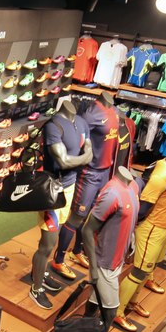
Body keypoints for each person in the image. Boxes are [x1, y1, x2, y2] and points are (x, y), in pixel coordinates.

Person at [28, 95, 92, 310]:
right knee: (47, 243)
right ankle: (36, 289)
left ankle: (40, 273)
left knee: (52, 240)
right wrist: (84, 159)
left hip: (69, 188)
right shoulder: (53, 126)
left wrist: (80, 159)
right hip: (52, 193)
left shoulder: (81, 122)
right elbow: (64, 161)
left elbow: (88, 152)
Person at [51, 91, 120, 280]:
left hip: (104, 172)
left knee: (91, 215)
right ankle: (58, 259)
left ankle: (77, 251)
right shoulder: (90, 114)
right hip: (89, 173)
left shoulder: (114, 111)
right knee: (77, 217)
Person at [115, 151, 166, 332]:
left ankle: (132, 301)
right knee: (139, 270)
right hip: (152, 228)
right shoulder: (159, 177)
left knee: (149, 268)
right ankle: (117, 311)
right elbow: (143, 207)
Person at [81, 165, 140, 332]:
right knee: (111, 311)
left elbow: (130, 218)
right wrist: (93, 267)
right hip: (105, 262)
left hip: (117, 259)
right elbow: (87, 230)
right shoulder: (112, 194)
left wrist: (131, 238)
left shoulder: (133, 186)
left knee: (96, 301)